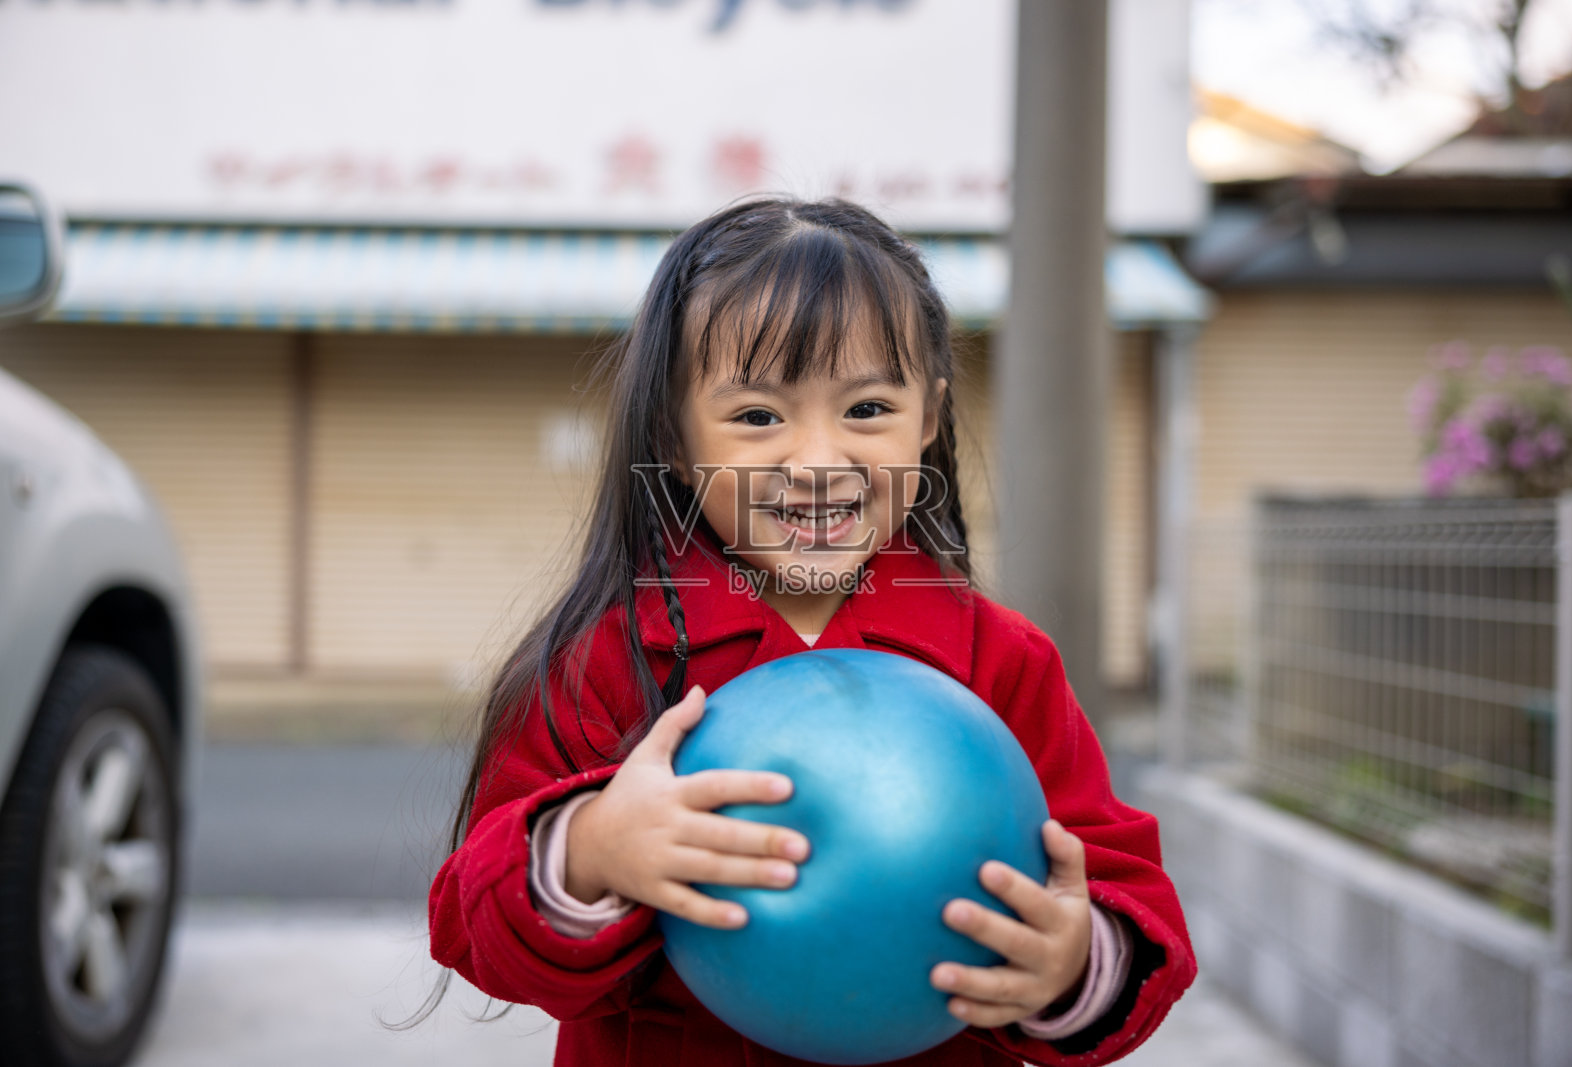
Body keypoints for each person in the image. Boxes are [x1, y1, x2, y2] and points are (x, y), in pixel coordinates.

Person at [427, 196, 1195, 1066]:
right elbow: (473, 926)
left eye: (867, 409)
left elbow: (1127, 891)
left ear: (930, 417)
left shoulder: (1001, 662)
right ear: (674, 440)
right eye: (758, 417)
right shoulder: (604, 662)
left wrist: (1068, 959)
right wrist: (593, 848)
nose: (820, 460)